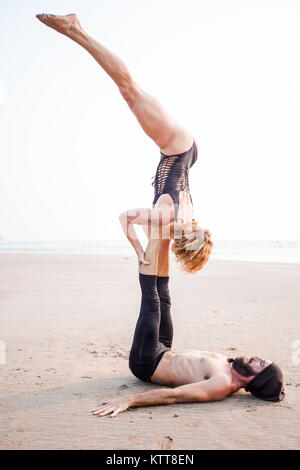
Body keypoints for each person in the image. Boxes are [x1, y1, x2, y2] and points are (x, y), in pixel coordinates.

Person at [35, 12, 213, 274]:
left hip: (183, 151)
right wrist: (140, 252)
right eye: (181, 248)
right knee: (129, 90)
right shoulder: (169, 220)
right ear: (184, 240)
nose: (174, 246)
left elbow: (166, 240)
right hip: (177, 146)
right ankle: (76, 30)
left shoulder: (185, 220)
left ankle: (76, 30)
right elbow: (126, 218)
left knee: (130, 92)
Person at [92, 237, 284, 418]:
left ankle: (155, 238)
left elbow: (174, 395)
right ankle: (164, 239)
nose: (257, 358)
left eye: (261, 364)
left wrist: (130, 399)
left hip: (147, 362)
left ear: (257, 379)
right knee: (164, 296)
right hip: (164, 349)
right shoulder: (231, 366)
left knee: (152, 302)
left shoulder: (222, 384)